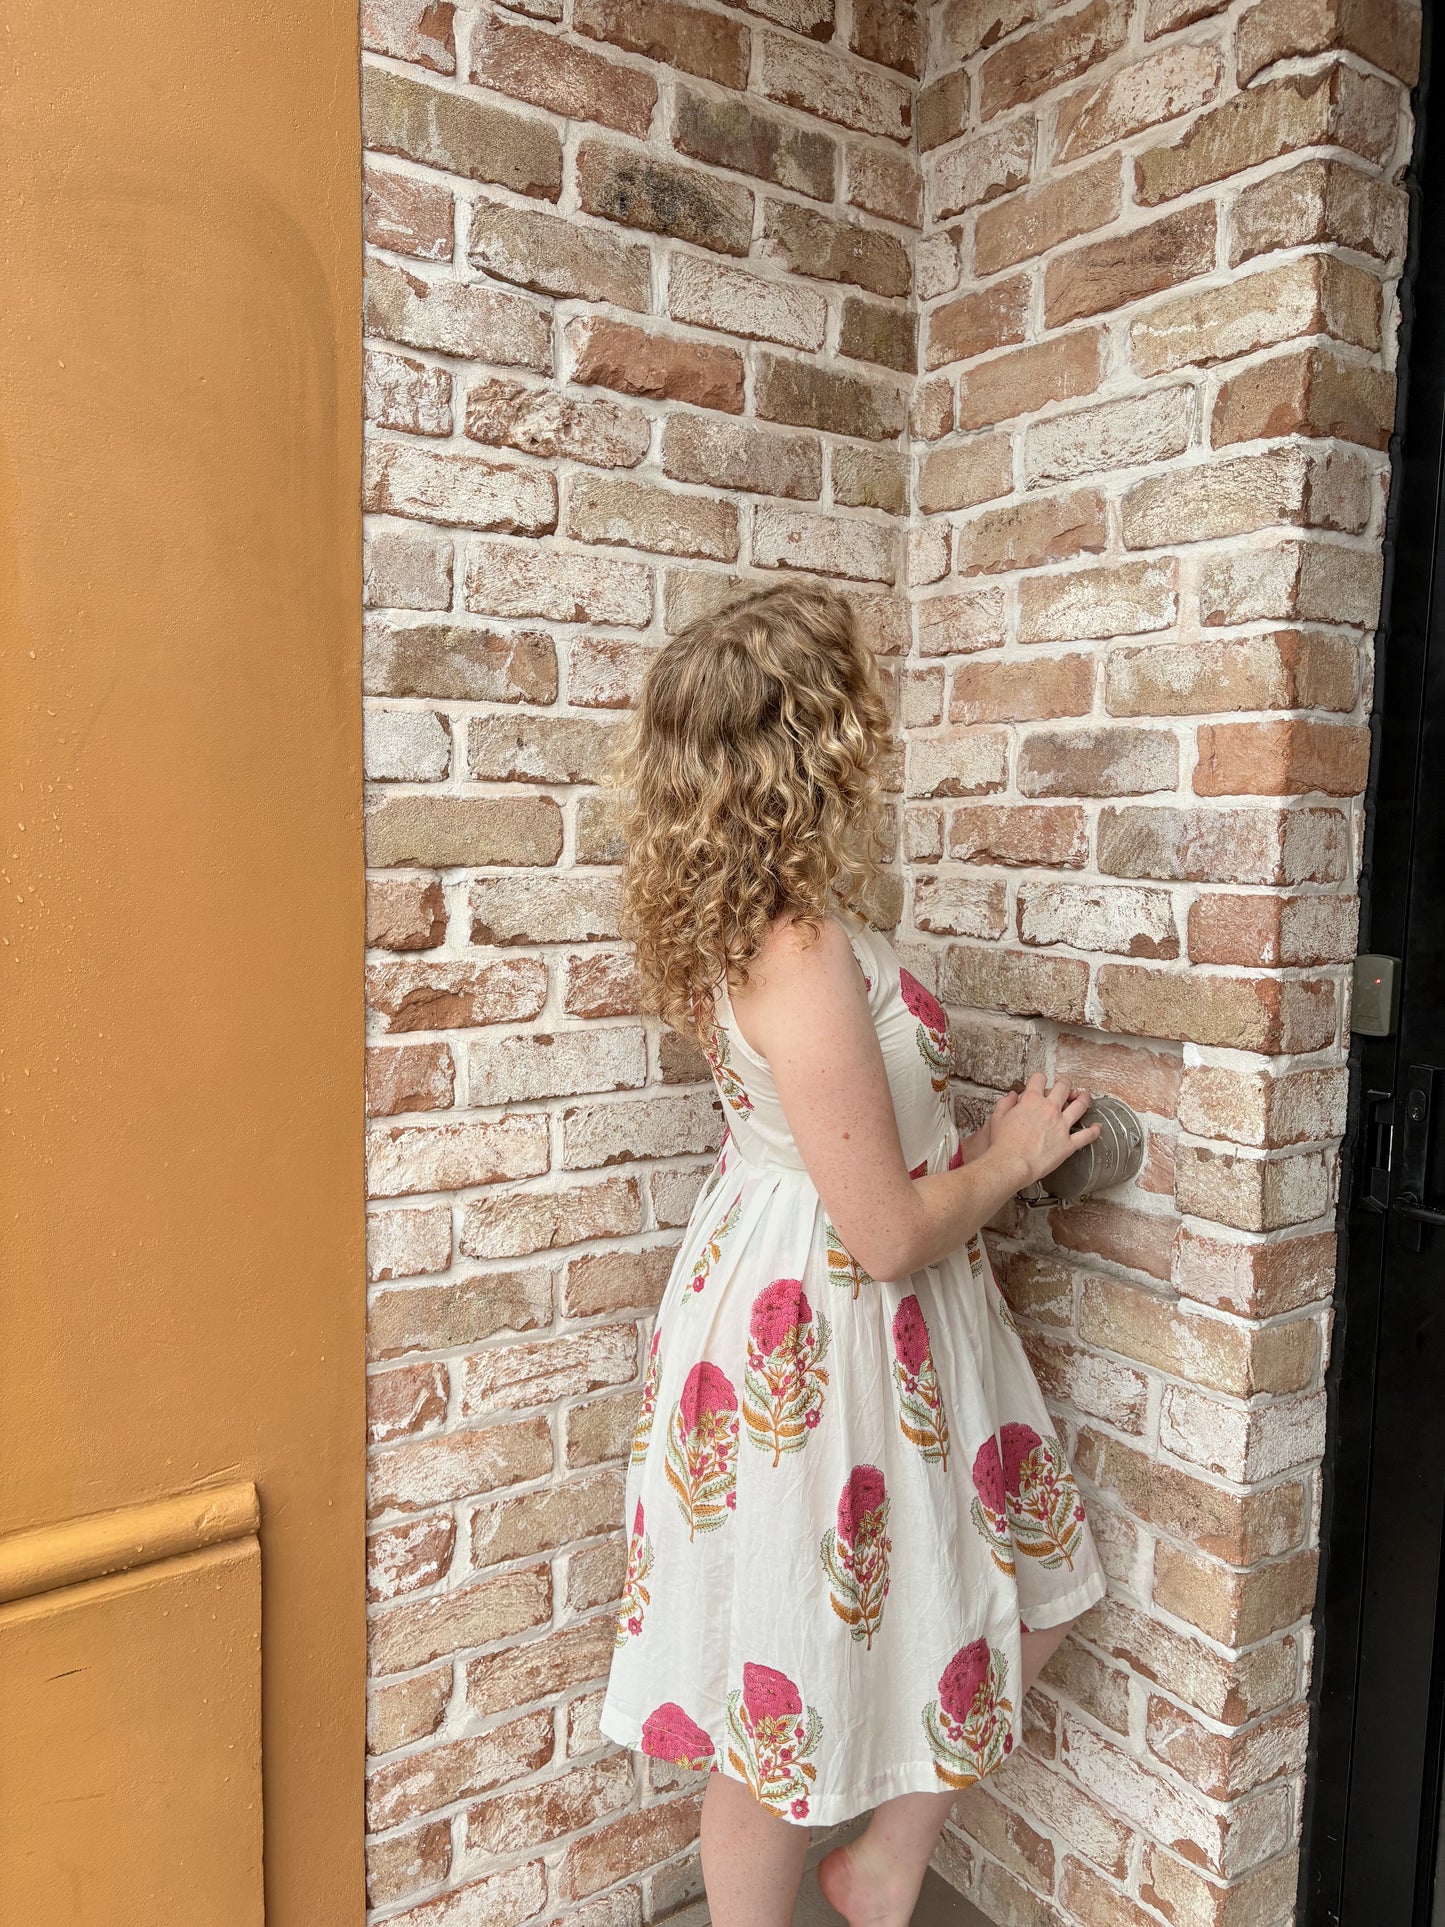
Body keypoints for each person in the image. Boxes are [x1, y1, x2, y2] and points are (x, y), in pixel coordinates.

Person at [595, 579, 1109, 1927]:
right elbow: (881, 1231)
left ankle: (881, 1866)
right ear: (815, 738)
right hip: (823, 1322)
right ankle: (845, 1883)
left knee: (1030, 1572)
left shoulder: (745, 915)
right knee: (777, 1675)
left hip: (827, 1298)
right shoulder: (798, 948)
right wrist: (1004, 1159)